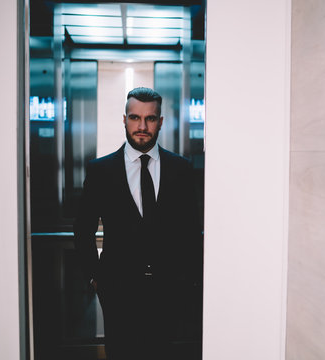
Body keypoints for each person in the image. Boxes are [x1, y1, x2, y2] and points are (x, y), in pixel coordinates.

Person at [74, 87, 202, 360]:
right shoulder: (100, 171)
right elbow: (82, 230)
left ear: (160, 122)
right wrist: (96, 279)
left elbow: (191, 230)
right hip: (117, 290)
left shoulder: (181, 169)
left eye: (150, 118)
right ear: (124, 120)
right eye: (135, 118)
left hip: (169, 290)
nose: (142, 126)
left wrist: (187, 281)